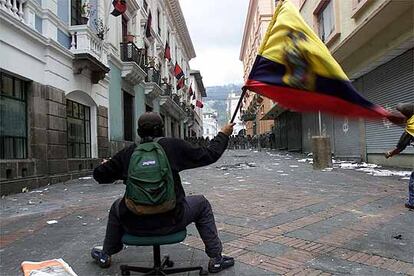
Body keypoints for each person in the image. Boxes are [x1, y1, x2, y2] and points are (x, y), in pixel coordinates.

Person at [91, 112, 236, 273]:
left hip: (135, 223)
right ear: (161, 129)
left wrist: (109, 165)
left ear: (139, 132)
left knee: (117, 205)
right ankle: (216, 258)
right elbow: (210, 154)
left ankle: (105, 254)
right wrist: (223, 134)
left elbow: (99, 175)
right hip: (172, 220)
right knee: (201, 203)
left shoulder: (129, 153)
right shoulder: (173, 147)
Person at [384, 103, 414, 210]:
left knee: (413, 181)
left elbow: (401, 146)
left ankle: (412, 202)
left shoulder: (411, 127)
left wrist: (390, 153)